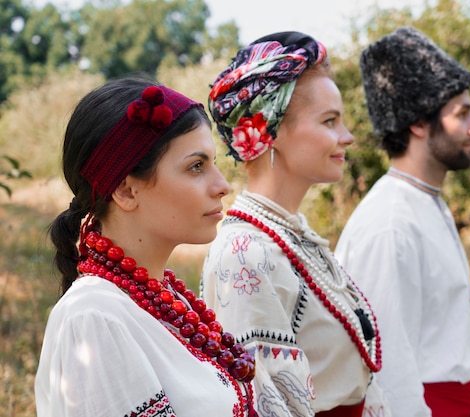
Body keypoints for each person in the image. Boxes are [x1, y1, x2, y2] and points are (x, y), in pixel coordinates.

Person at [35, 76, 257, 417]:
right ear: (126, 191)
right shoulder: (94, 318)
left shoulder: (163, 298)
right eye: (196, 166)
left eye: (214, 163)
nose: (222, 185)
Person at [201, 31, 389, 417]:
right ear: (272, 130)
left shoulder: (291, 236)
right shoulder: (245, 254)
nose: (347, 137)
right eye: (330, 121)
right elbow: (258, 403)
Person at [335, 27, 470, 417]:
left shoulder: (424, 202)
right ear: (418, 123)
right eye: (462, 114)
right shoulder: (390, 222)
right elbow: (387, 368)